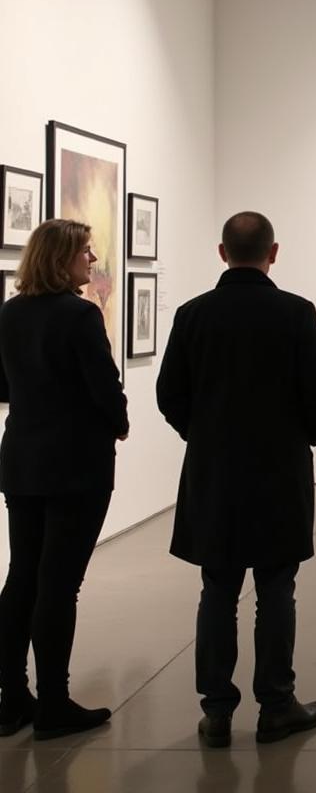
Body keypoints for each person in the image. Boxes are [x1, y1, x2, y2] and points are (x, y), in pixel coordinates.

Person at [156, 212, 316, 748]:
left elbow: (169, 393)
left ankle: (216, 711)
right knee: (276, 589)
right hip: (279, 471)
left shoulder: (193, 315)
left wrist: (204, 434)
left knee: (218, 588)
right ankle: (277, 704)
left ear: (221, 252)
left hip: (215, 471)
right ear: (273, 252)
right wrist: (303, 436)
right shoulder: (296, 313)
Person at [0, 220, 128, 740]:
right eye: (84, 251)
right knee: (59, 583)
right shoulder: (79, 315)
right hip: (76, 463)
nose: (92, 258)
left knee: (23, 576)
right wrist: (118, 423)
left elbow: (2, 383)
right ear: (61, 258)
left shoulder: (10, 312)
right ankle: (54, 702)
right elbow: (103, 384)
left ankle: (11, 700)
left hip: (22, 458)